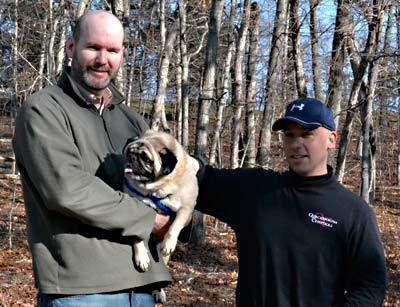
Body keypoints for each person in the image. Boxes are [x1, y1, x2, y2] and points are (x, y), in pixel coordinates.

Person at [13, 10, 172, 307]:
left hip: (143, 287)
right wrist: (149, 218)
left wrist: (177, 217)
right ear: (72, 47)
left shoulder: (131, 120)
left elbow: (165, 182)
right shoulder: (43, 110)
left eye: (112, 50)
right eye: (93, 47)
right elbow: (68, 190)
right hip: (81, 292)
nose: (103, 59)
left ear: (122, 55)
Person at [194, 98, 387, 306]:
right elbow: (194, 177)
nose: (296, 144)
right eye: (289, 135)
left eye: (307, 134)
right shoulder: (253, 190)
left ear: (332, 139)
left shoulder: (353, 212)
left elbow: (371, 287)